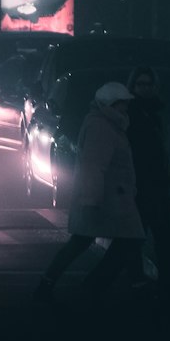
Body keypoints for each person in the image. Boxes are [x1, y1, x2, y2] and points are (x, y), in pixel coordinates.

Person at [32, 81, 144, 305]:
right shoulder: (103, 128)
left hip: (111, 197)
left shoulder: (106, 124)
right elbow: (94, 166)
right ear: (113, 104)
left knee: (85, 242)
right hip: (109, 199)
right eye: (123, 104)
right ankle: (98, 286)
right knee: (128, 241)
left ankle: (53, 283)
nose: (126, 108)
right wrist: (92, 199)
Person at [125, 65, 170, 317]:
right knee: (140, 239)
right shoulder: (134, 114)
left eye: (149, 84)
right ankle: (158, 286)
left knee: (163, 238)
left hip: (157, 185)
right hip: (143, 186)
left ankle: (168, 286)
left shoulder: (153, 113)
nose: (145, 89)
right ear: (133, 87)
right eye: (140, 84)